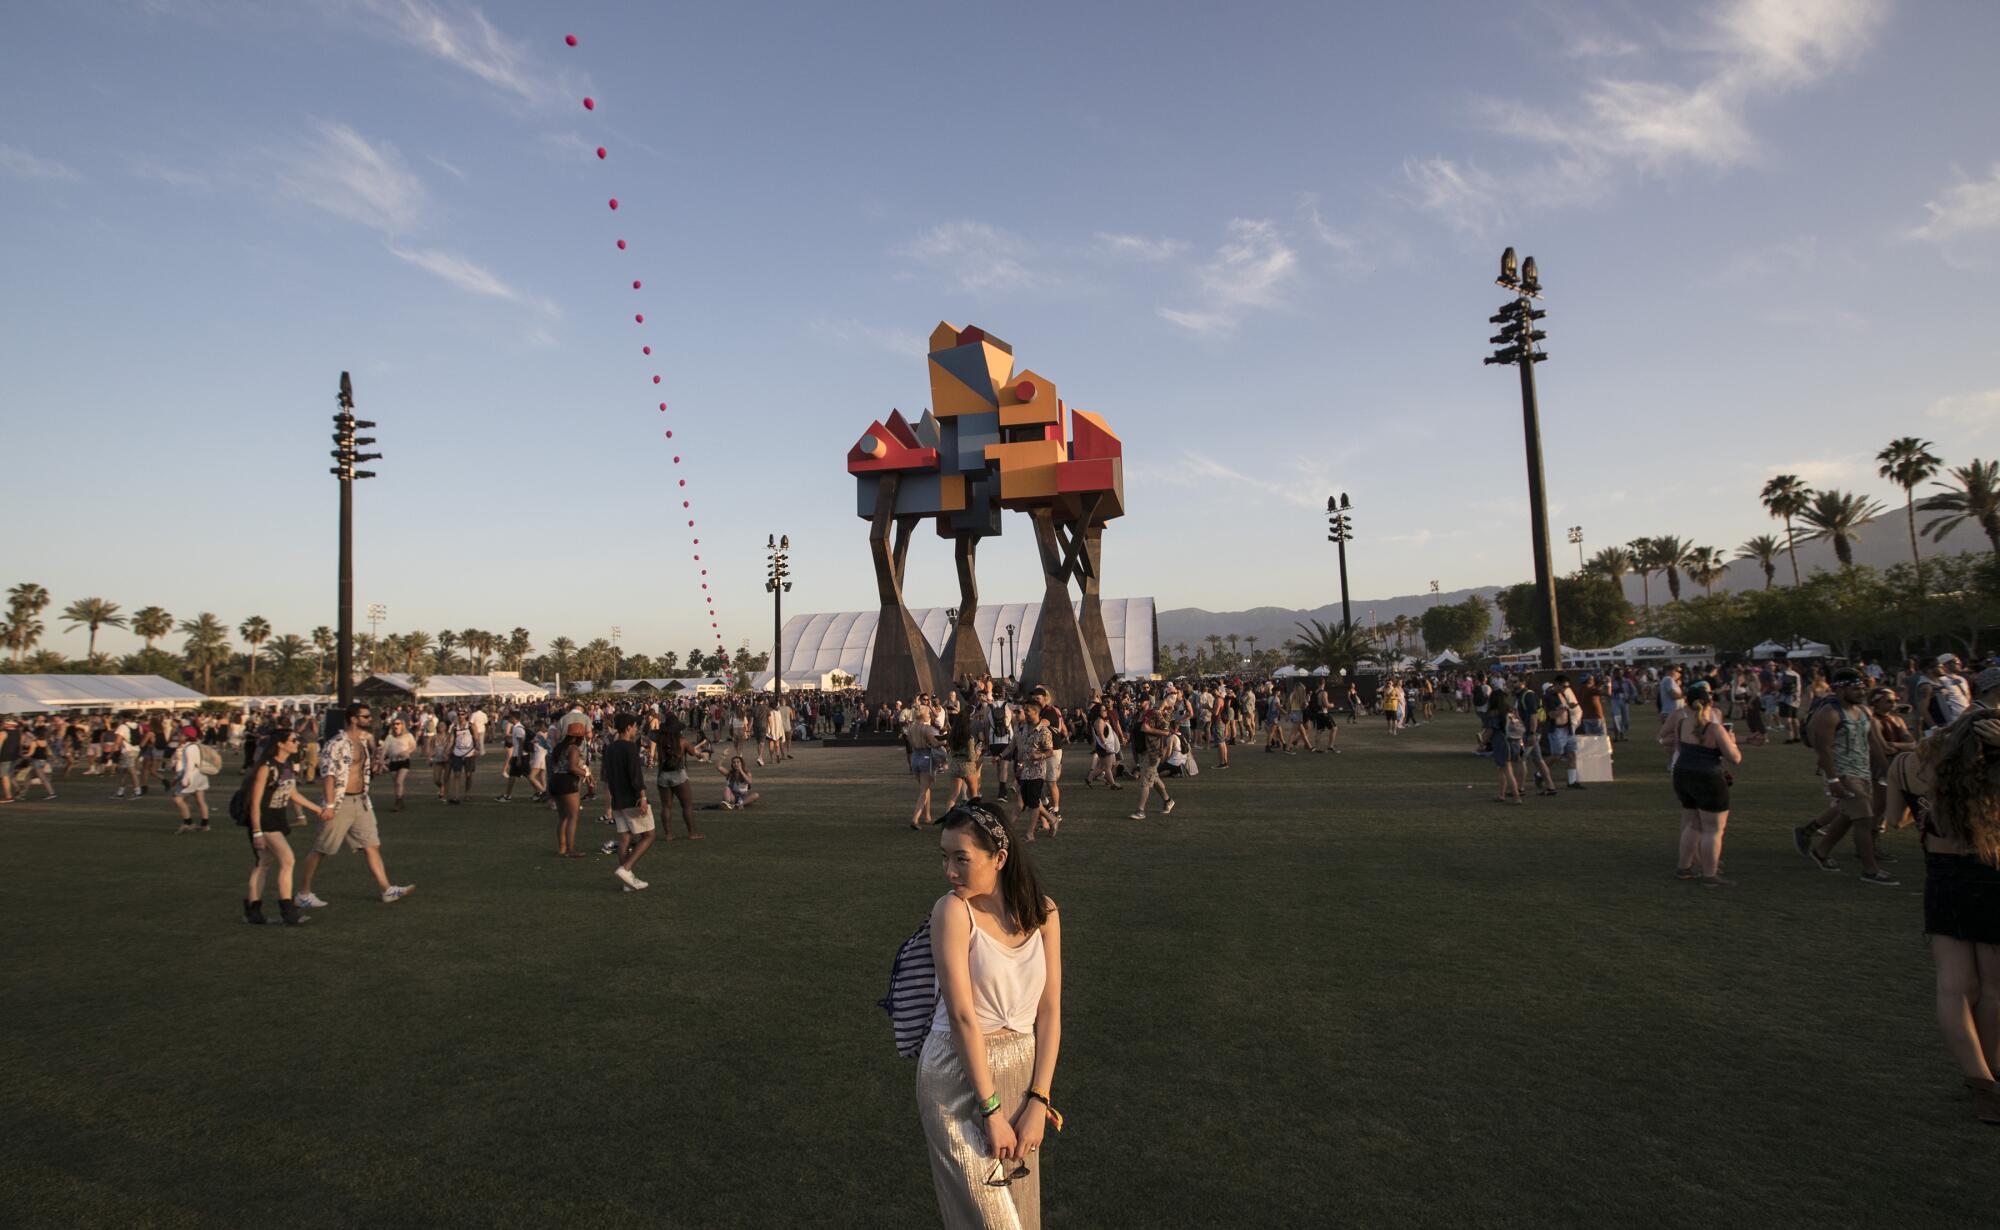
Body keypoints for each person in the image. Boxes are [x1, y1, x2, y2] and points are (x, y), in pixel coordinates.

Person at [919, 801, 1063, 1228]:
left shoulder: (1045, 913)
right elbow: (963, 1016)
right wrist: (991, 1111)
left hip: (1021, 1074)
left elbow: (1051, 1010)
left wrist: (1040, 1099)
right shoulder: (952, 911)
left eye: (961, 858)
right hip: (958, 1078)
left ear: (999, 858)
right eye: (944, 857)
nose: (949, 871)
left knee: (1021, 1212)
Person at [1883, 673, 2000, 1124]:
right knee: (1993, 989)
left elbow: (1894, 821)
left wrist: (1930, 807)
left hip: (1943, 877)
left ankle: (1980, 1081)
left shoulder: (1907, 766)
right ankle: (1991, 1077)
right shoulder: (1992, 766)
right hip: (1992, 873)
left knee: (1954, 987)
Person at [295, 704, 413, 908]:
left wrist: (377, 765)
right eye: (365, 716)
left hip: (361, 800)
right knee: (322, 849)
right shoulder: (336, 743)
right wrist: (330, 804)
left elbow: (360, 770)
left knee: (372, 845)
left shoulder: (362, 741)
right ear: (353, 718)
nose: (369, 719)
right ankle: (303, 893)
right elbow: (329, 775)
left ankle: (386, 889)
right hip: (341, 803)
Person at [1795, 670, 1898, 886]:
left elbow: (1874, 744)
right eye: (1855, 688)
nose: (1861, 692)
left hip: (1863, 771)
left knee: (1848, 815)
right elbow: (1824, 750)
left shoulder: (1863, 711)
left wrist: (1886, 770)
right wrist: (1833, 780)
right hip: (1842, 772)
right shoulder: (1830, 714)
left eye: (1863, 688)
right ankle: (1870, 870)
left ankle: (1821, 851)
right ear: (1840, 689)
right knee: (1864, 818)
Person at [239, 726, 326, 926]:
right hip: (265, 820)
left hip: (277, 818)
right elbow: (255, 802)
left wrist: (317, 809)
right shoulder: (266, 767)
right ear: (280, 743)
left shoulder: (286, 764)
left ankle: (253, 911)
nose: (297, 743)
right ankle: (288, 911)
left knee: (263, 864)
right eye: (293, 740)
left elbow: (293, 794)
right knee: (288, 860)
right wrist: (257, 831)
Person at [1658, 681, 1742, 886]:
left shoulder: (1681, 724)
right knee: (1713, 829)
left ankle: (1684, 867)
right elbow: (1735, 758)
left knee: (1692, 823)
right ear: (1709, 703)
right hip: (1708, 777)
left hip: (1683, 775)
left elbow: (1677, 745)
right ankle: (1710, 874)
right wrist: (1732, 740)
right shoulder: (1714, 728)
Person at [602, 713, 654, 892]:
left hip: (617, 798)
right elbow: (635, 775)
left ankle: (627, 882)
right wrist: (643, 796)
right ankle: (626, 869)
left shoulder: (610, 748)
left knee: (625, 837)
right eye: (634, 726)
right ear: (628, 727)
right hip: (631, 798)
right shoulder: (630, 747)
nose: (636, 729)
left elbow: (607, 776)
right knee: (649, 835)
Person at [548, 713, 593, 856]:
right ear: (580, 737)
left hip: (555, 781)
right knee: (573, 816)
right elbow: (572, 767)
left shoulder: (560, 747)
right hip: (567, 782)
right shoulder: (573, 749)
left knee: (563, 817)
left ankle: (562, 848)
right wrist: (586, 773)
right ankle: (571, 849)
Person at [653, 711, 702, 840]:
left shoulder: (660, 739)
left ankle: (668, 834)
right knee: (686, 805)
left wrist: (660, 729)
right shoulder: (683, 741)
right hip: (678, 774)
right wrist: (701, 754)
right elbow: (694, 753)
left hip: (662, 775)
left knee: (666, 806)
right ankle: (692, 833)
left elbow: (650, 733)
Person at [1127, 704, 1176, 822]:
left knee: (1145, 781)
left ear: (1147, 701)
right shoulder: (1137, 715)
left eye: (1142, 700)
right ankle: (1168, 800)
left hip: (1152, 753)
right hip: (1141, 753)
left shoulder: (1155, 714)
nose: (1139, 703)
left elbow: (1166, 731)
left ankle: (1140, 811)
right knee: (1154, 778)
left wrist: (1149, 730)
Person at [1483, 689, 1524, 804]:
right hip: (1514, 742)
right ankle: (1501, 794)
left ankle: (1516, 796)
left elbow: (1490, 730)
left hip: (1502, 743)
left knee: (1507, 770)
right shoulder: (1510, 710)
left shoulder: (1494, 712)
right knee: (1501, 768)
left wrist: (1482, 744)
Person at [909, 697, 944, 830]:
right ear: (924, 714)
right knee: (924, 790)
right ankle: (915, 818)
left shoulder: (911, 728)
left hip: (915, 758)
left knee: (925, 787)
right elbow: (935, 743)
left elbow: (911, 744)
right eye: (928, 713)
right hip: (925, 757)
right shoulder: (926, 728)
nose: (929, 714)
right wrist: (944, 742)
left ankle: (927, 816)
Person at [170, 727, 212, 831]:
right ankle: (205, 824)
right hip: (201, 775)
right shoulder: (199, 745)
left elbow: (189, 766)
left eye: (180, 734)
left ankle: (187, 823)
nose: (179, 736)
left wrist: (184, 780)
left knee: (178, 799)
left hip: (191, 776)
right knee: (200, 800)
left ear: (186, 736)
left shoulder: (188, 748)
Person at [379, 718, 417, 812]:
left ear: (402, 725)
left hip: (404, 761)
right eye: (394, 724)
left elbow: (413, 746)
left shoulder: (408, 735)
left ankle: (398, 802)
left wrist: (407, 752)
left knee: (399, 781)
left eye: (398, 724)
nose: (395, 726)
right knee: (396, 783)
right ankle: (399, 801)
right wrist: (381, 760)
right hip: (393, 761)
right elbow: (384, 749)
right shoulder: (389, 737)